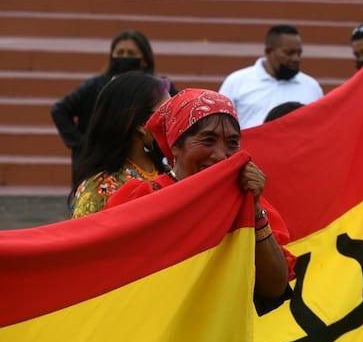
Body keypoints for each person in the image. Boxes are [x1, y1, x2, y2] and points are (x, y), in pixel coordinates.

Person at [105, 89, 293, 308]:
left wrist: (254, 208)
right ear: (176, 145)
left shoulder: (246, 202)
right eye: (208, 140)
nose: (221, 155)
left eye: (232, 143)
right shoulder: (140, 199)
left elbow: (274, 287)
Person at [51, 29, 171, 190]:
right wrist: (80, 143)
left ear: (144, 58)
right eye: (120, 52)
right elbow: (60, 110)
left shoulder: (158, 89)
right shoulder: (95, 86)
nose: (125, 57)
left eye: (131, 53)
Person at [70, 73, 171, 218]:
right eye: (168, 113)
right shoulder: (102, 188)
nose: (175, 121)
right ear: (142, 124)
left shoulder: (167, 170)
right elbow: (85, 232)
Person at [219, 24, 324, 129]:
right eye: (289, 53)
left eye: (299, 53)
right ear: (268, 51)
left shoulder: (312, 87)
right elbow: (220, 123)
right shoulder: (236, 82)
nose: (296, 58)